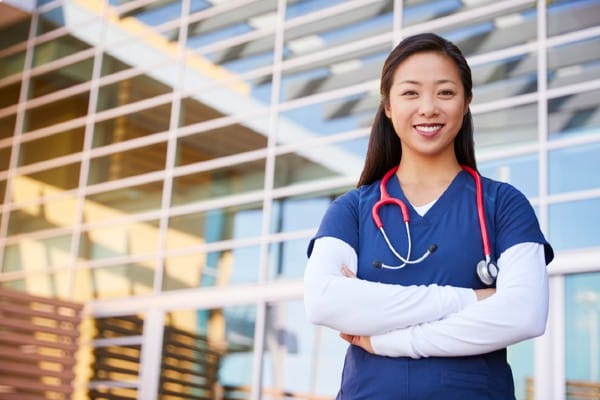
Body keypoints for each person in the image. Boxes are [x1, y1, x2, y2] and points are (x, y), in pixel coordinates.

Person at [303, 32, 554, 400]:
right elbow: (323, 301)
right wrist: (470, 299)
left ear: (466, 101)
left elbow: (525, 313)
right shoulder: (352, 210)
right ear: (387, 105)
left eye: (445, 92)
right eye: (410, 93)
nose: (428, 108)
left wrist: (392, 341)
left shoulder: (503, 205)